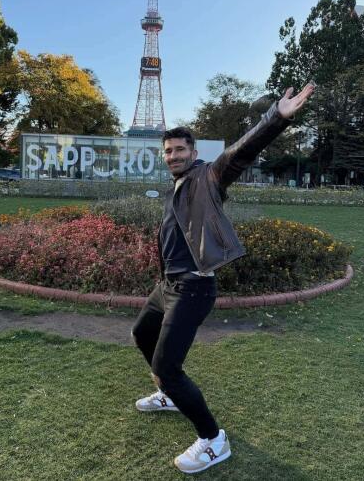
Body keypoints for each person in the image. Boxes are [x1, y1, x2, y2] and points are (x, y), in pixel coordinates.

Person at [131, 84, 315, 474]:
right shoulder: (175, 187)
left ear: (194, 153)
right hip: (168, 285)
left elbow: (239, 154)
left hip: (194, 287)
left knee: (168, 366)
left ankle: (214, 440)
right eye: (168, 151)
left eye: (180, 149)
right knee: (141, 333)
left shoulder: (207, 178)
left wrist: (275, 117)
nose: (173, 156)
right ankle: (168, 395)